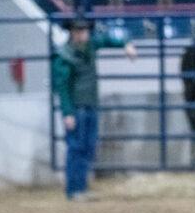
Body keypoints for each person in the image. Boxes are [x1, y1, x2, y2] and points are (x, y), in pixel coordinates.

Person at [52, 18, 137, 201]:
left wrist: (125, 44)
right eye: (79, 31)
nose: (82, 34)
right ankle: (74, 189)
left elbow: (109, 40)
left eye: (84, 31)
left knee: (87, 147)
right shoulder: (65, 56)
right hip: (77, 108)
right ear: (72, 32)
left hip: (90, 105)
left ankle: (80, 188)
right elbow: (62, 87)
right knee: (77, 147)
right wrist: (68, 113)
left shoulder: (89, 46)